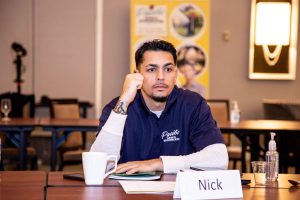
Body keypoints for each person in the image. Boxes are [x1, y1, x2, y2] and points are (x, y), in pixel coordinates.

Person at [90, 39, 228, 174]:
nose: (161, 76)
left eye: (168, 69)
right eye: (151, 69)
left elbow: (219, 159)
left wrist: (158, 163)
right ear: (137, 74)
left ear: (175, 74)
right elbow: (98, 167)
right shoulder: (116, 107)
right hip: (127, 194)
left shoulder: (193, 104)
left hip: (178, 193)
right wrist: (124, 101)